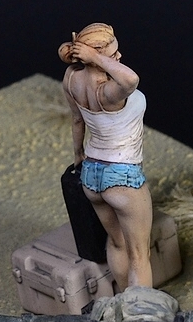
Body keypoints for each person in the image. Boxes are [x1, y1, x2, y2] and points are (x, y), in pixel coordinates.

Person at [59, 23, 152, 288]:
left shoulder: (71, 79)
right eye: (112, 55)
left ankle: (122, 299)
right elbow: (131, 80)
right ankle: (142, 310)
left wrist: (78, 155)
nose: (118, 56)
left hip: (91, 174)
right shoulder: (109, 91)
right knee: (139, 255)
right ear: (93, 57)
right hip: (122, 175)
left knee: (117, 242)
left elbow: (77, 120)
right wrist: (96, 58)